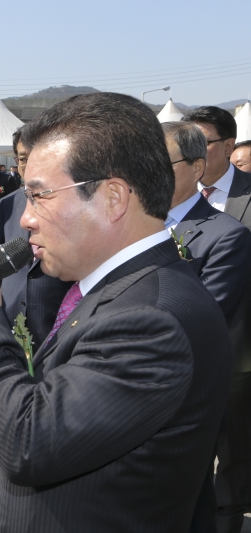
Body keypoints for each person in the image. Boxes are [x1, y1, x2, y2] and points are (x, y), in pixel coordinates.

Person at [0, 93, 232, 532]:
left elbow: (28, 440)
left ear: (113, 198)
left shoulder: (152, 318)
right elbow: (75, 438)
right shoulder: (117, 289)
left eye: (39, 196)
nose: (24, 219)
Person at [161, 121, 251, 531]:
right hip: (146, 389)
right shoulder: (129, 226)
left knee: (215, 486)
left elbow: (203, 315)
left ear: (197, 167)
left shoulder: (225, 234)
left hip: (200, 378)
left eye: (164, 162)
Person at [0, 128, 73, 367]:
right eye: (22, 158)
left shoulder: (68, 199)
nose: (28, 164)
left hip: (56, 315)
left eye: (35, 156)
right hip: (11, 318)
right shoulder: (7, 204)